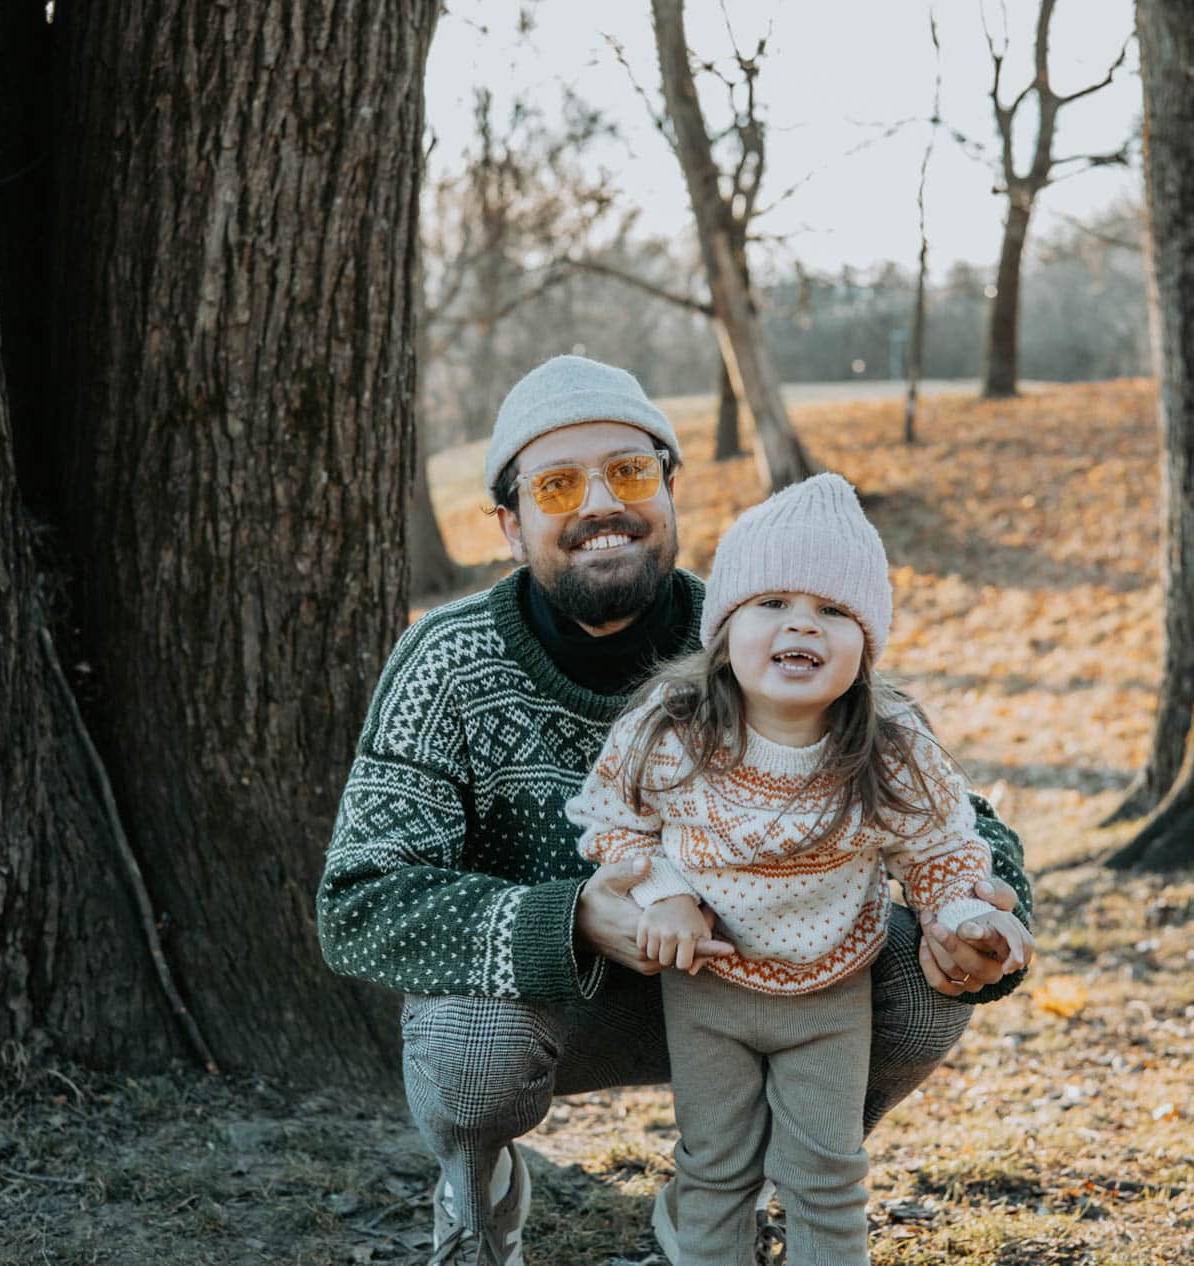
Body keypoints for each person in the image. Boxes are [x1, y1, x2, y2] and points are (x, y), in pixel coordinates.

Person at [316, 355, 1035, 1266]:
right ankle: (478, 1189)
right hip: (551, 1009)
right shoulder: (446, 663)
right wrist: (570, 919)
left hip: (764, 972)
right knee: (469, 1037)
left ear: (669, 490)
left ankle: (730, 1192)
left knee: (923, 986)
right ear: (510, 522)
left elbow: (941, 804)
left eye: (629, 472)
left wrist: (980, 911)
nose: (601, 505)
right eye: (558, 484)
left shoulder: (766, 628)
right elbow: (360, 899)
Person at [567, 473, 1032, 1266]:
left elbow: (940, 849)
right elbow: (613, 822)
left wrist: (967, 917)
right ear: (725, 628)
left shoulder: (889, 744)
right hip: (705, 991)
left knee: (827, 1175)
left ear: (867, 643)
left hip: (829, 995)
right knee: (716, 1169)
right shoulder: (674, 728)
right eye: (773, 604)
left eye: (834, 611)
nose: (803, 626)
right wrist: (666, 894)